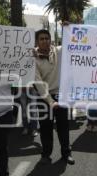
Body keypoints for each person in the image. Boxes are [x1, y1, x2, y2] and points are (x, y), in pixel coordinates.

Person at [34, 29, 75, 165]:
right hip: (44, 97)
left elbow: (71, 43)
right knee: (45, 128)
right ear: (37, 41)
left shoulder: (58, 51)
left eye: (47, 38)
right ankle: (46, 154)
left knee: (63, 126)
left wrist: (69, 29)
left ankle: (66, 153)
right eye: (42, 39)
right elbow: (38, 83)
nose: (45, 41)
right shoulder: (32, 58)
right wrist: (50, 102)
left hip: (61, 95)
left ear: (50, 40)